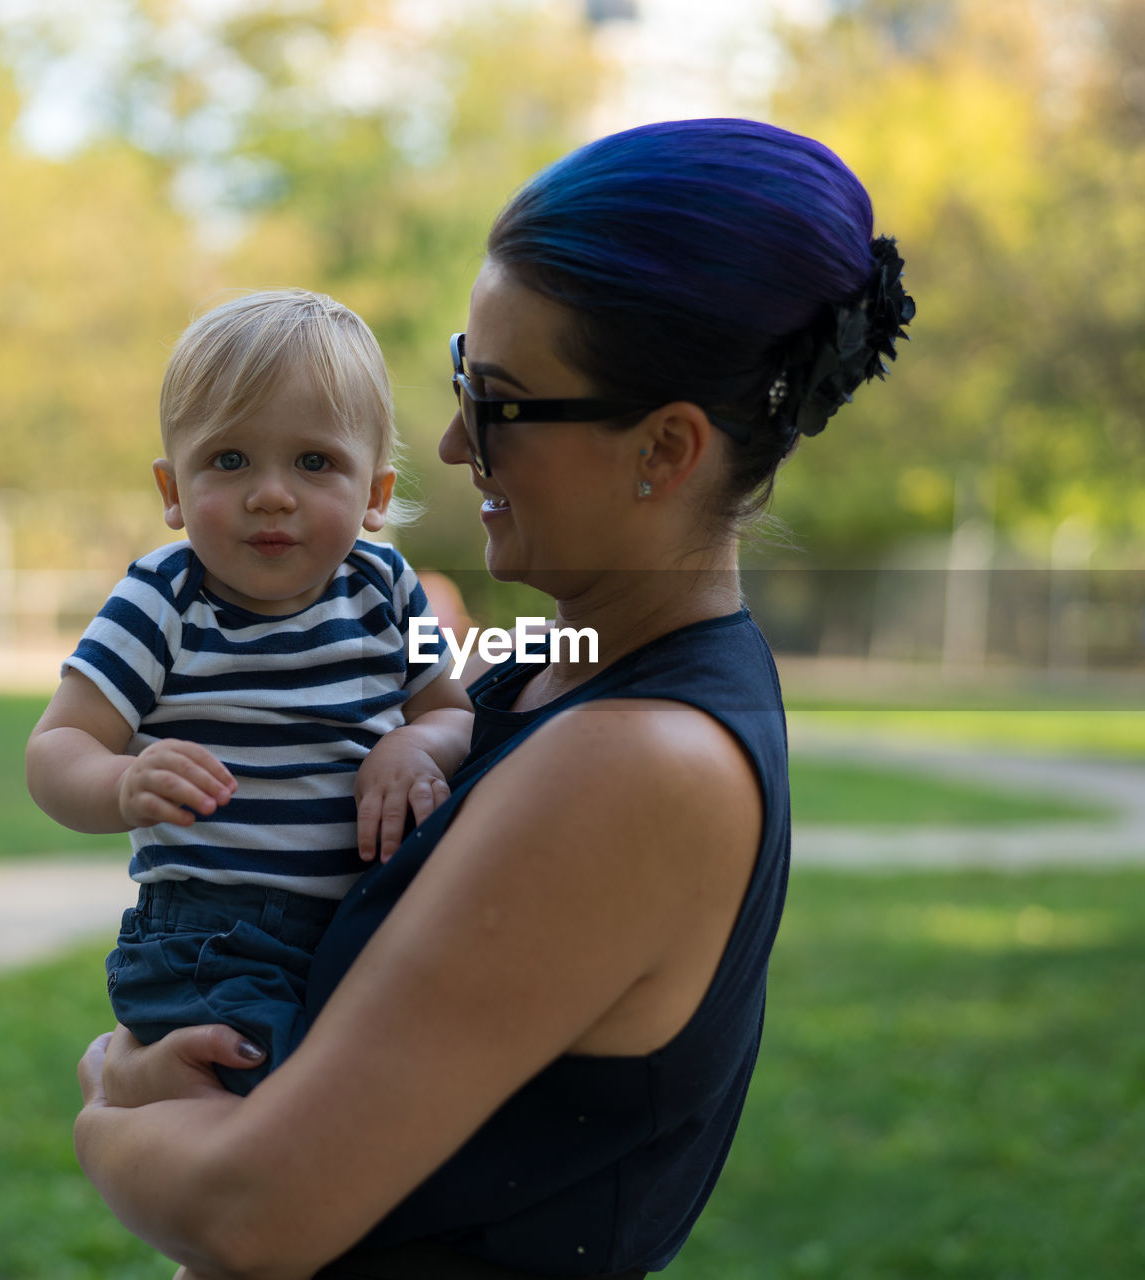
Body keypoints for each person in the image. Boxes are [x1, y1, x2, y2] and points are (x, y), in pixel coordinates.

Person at [73, 118, 914, 1278]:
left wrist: (106, 1096)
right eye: (467, 374)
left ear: (664, 449)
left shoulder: (637, 761)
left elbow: (249, 1211)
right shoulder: (550, 664)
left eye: (504, 402)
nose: (455, 440)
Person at [28, 289, 473, 1093]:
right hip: (208, 937)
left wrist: (414, 743)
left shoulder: (387, 591)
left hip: (363, 921)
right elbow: (57, 747)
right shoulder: (165, 600)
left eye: (314, 462)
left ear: (374, 495)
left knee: (394, 1092)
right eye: (230, 461)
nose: (272, 493)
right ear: (172, 488)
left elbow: (450, 711)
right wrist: (123, 781)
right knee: (281, 1100)